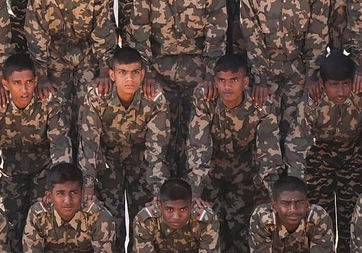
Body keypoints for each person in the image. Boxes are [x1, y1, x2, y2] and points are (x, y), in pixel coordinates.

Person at [128, 0, 228, 160]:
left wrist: (210, 75)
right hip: (159, 72)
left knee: (197, 141)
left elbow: (217, 31)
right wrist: (147, 75)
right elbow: (139, 31)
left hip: (198, 72)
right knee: (161, 141)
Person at [290, 52, 362, 246]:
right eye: (334, 85)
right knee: (319, 218)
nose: (340, 92)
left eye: (345, 84)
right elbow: (297, 143)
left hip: (352, 152)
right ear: (322, 83)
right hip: (319, 155)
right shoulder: (312, 98)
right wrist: (297, 187)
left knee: (353, 217)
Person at [186, 52, 285, 251]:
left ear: (246, 81)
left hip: (244, 173)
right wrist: (195, 190)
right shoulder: (204, 99)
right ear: (215, 81)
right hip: (210, 173)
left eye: (234, 80)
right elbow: (199, 145)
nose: (227, 86)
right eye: (221, 80)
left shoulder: (261, 105)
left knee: (243, 230)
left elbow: (269, 152)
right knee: (208, 226)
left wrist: (272, 194)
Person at [0, 54, 73, 243]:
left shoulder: (50, 104)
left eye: (28, 82)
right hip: (10, 172)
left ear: (36, 81)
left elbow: (60, 146)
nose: (24, 89)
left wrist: (58, 186)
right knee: (11, 228)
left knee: (45, 226)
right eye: (17, 83)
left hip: (44, 170)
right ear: (5, 84)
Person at [240, 0, 329, 128]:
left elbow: (318, 35)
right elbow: (251, 37)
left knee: (297, 129)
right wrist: (260, 80)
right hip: (265, 68)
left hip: (299, 69)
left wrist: (312, 76)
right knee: (265, 129)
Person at [78, 45, 171, 231]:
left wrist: (157, 190)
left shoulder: (154, 99)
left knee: (146, 219)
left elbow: (157, 149)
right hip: (108, 162)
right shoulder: (97, 97)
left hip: (140, 162)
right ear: (112, 75)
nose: (129, 78)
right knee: (111, 223)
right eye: (123, 72)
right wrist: (88, 187)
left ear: (143, 74)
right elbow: (89, 144)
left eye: (135, 72)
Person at [25, 0, 117, 114]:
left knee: (92, 102)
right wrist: (42, 76)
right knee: (54, 104)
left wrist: (104, 70)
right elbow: (36, 33)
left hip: (87, 55)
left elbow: (103, 28)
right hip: (55, 56)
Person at [22, 162, 117, 253]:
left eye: (74, 192)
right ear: (49, 196)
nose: (67, 200)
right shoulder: (38, 215)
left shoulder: (97, 215)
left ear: (82, 194)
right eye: (60, 193)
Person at [248, 175, 336, 253]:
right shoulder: (262, 217)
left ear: (307, 205)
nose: (293, 210)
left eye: (299, 203)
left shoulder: (318, 217)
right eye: (285, 203)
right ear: (274, 206)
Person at [132, 179, 220, 253]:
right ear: (159, 206)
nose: (176, 217)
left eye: (183, 209)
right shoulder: (145, 220)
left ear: (191, 205)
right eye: (169, 209)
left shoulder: (206, 219)